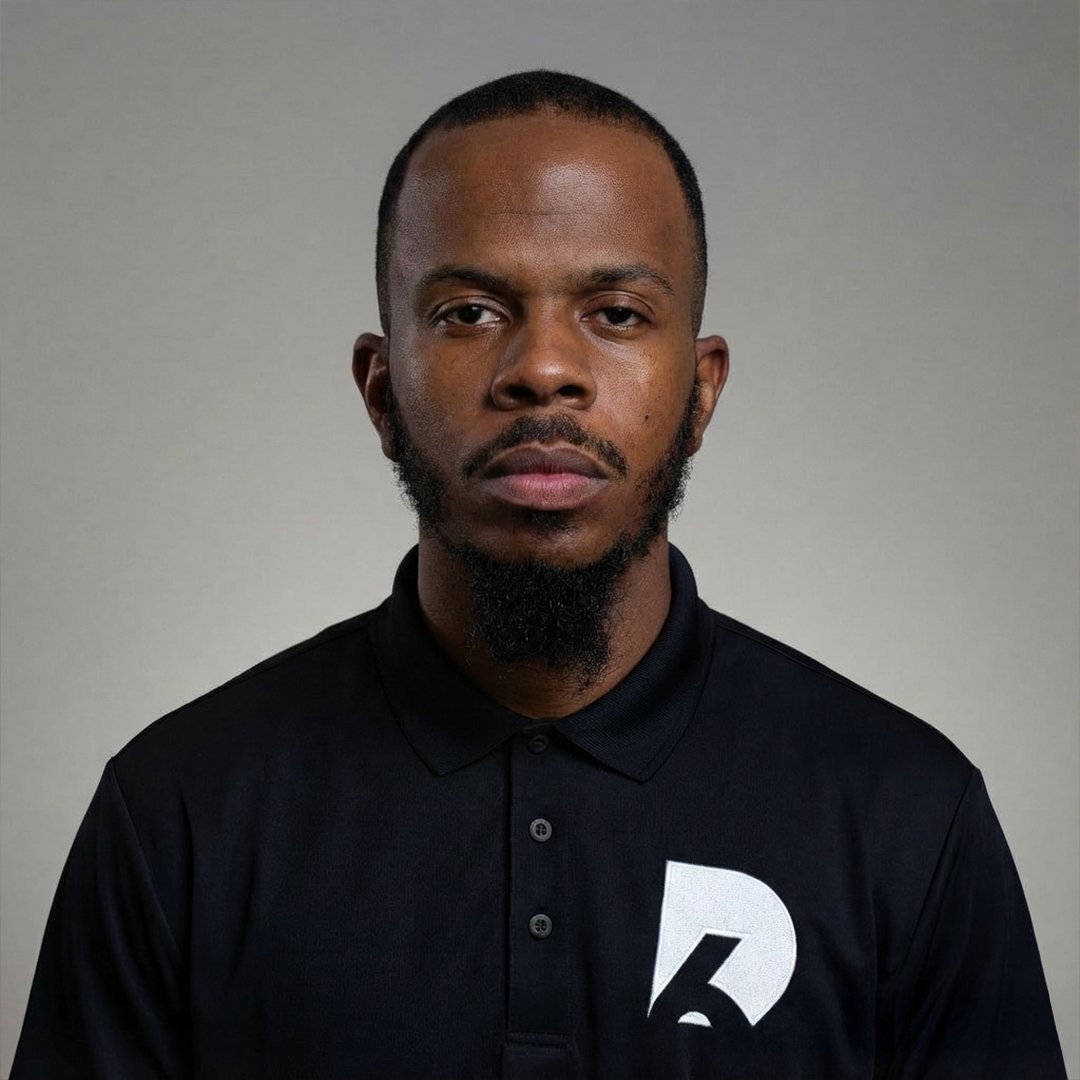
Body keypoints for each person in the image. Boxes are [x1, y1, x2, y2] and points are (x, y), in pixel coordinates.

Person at [12, 70, 1066, 1080]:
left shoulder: (905, 817)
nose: (544, 370)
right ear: (381, 392)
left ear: (700, 393)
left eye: (616, 312)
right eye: (471, 312)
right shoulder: (180, 813)